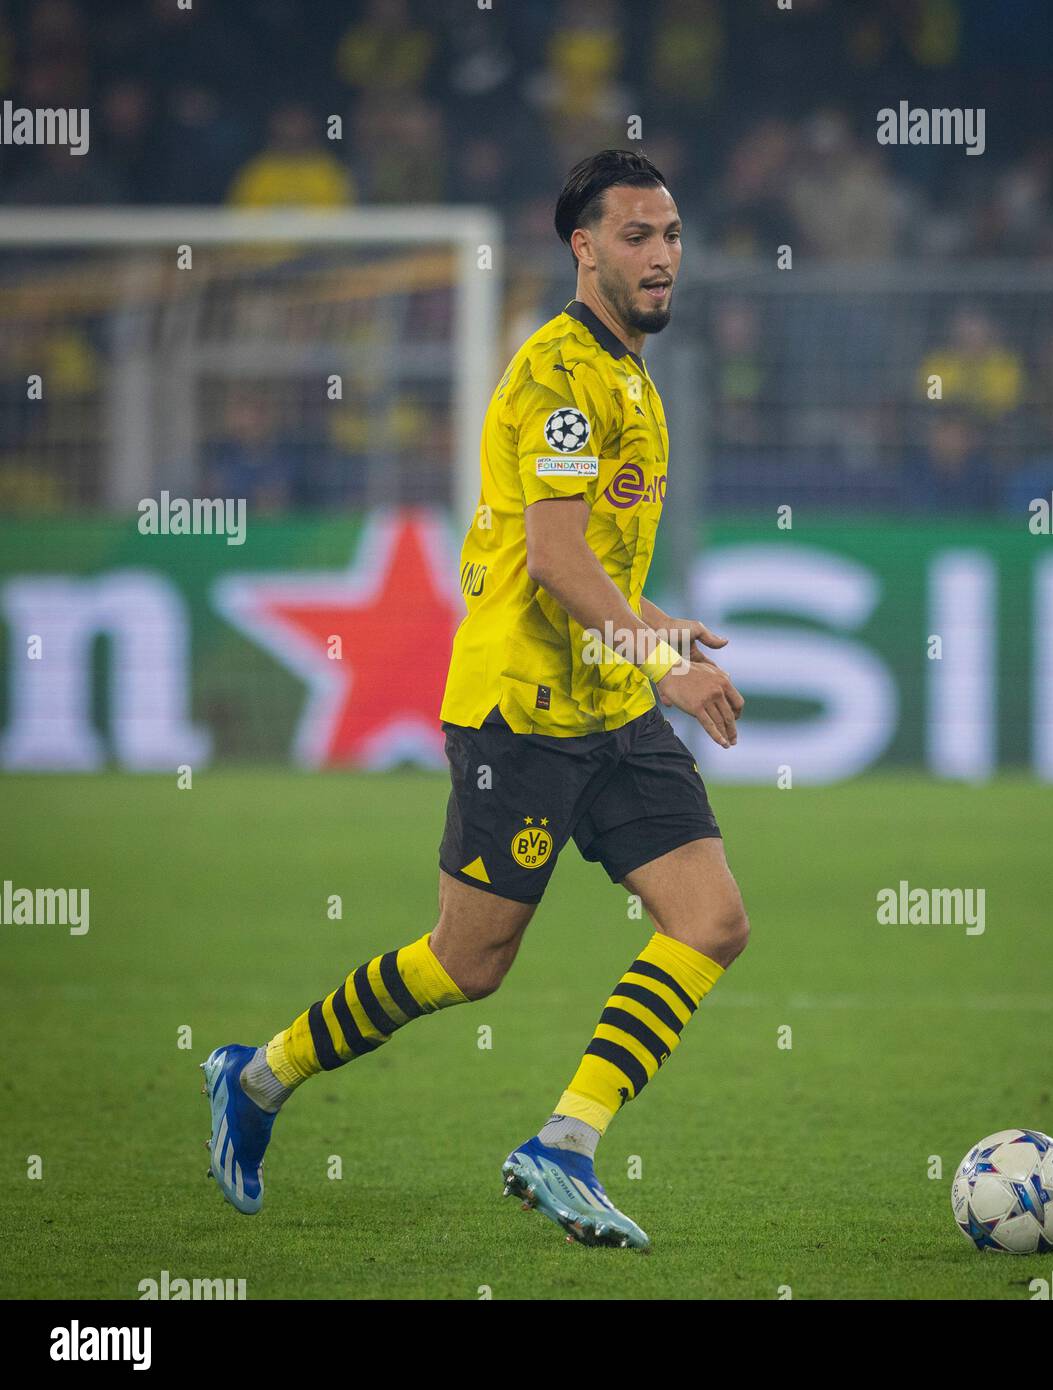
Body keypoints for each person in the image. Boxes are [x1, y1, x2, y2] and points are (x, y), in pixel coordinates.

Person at [201, 149, 749, 1251]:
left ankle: (566, 1143)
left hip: (609, 705)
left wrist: (654, 630)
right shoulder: (557, 373)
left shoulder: (634, 377)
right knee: (468, 963)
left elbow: (588, 557)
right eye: (637, 235)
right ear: (583, 247)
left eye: (673, 234)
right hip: (522, 713)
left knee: (712, 920)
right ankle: (257, 1077)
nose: (662, 256)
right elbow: (552, 560)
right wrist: (664, 660)